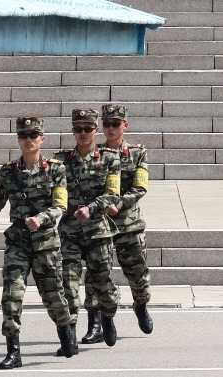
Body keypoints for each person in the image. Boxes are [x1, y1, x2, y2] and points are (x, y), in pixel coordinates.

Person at [0, 116, 76, 369]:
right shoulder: (9, 172)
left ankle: (66, 333)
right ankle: (13, 351)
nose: (28, 140)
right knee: (11, 295)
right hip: (18, 244)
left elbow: (60, 205)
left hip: (47, 245)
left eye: (33, 135)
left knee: (54, 297)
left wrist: (41, 218)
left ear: (42, 138)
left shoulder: (55, 169)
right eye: (24, 136)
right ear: (18, 140)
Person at [80, 104, 152, 344]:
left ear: (125, 126)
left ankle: (140, 305)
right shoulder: (94, 153)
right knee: (95, 276)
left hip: (128, 224)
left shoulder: (137, 152)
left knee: (137, 274)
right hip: (100, 225)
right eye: (107, 124)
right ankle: (96, 323)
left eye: (115, 124)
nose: (110, 128)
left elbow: (140, 186)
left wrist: (119, 204)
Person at [53, 108, 122, 356]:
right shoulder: (60, 161)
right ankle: (69, 337)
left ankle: (107, 317)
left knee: (101, 283)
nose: (82, 133)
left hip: (98, 232)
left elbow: (113, 193)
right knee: (68, 285)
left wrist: (92, 208)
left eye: (87, 129)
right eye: (78, 129)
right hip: (70, 232)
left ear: (95, 130)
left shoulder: (110, 159)